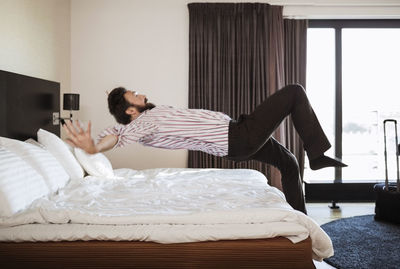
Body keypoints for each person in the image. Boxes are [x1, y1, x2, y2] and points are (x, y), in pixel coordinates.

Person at [63, 84, 346, 214]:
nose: (142, 93)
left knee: (288, 163)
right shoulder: (143, 124)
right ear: (130, 110)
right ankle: (318, 154)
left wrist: (98, 142)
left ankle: (301, 221)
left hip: (235, 136)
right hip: (236, 137)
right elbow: (118, 136)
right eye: (134, 95)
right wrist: (95, 147)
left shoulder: (149, 117)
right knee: (294, 92)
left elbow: (117, 132)